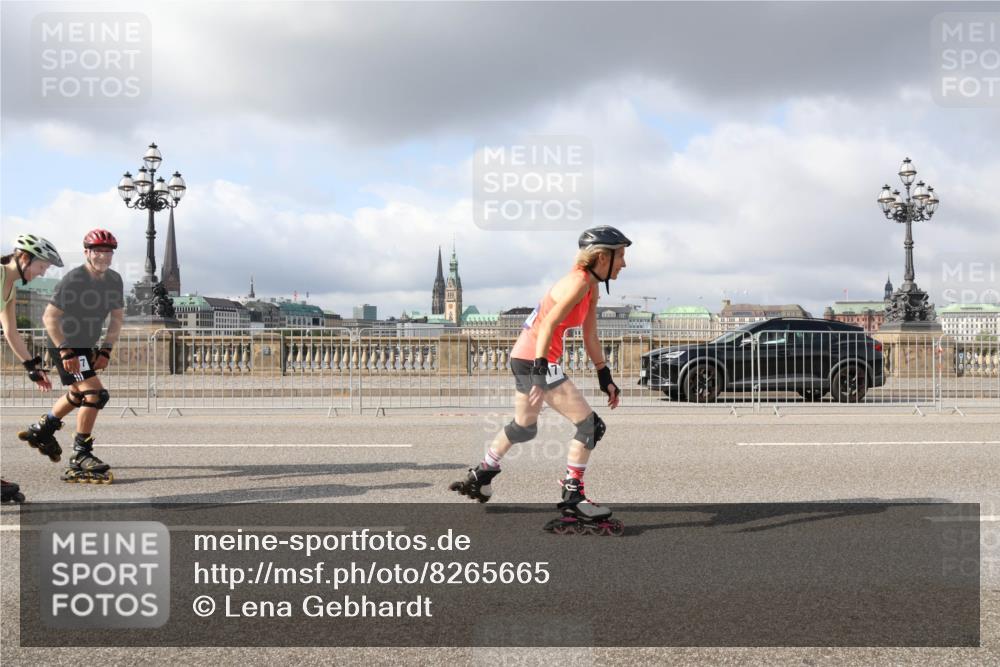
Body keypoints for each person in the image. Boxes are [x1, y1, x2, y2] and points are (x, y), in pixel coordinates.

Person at [450, 226, 631, 536]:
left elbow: (589, 334)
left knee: (524, 427)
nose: (624, 264)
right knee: (590, 426)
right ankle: (573, 496)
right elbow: (547, 326)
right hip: (537, 359)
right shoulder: (578, 283)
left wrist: (605, 375)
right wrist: (539, 373)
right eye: (621, 256)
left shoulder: (590, 286)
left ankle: (482, 473)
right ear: (603, 257)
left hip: (524, 356)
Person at [19, 229, 124, 484]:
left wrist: (106, 350)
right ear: (87, 252)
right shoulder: (74, 279)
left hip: (86, 345)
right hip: (64, 345)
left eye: (108, 251)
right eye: (98, 251)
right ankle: (80, 454)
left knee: (78, 394)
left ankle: (43, 429)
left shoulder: (114, 280)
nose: (103, 256)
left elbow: (116, 319)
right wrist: (65, 350)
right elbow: (49, 318)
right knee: (95, 394)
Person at [1, 234, 65, 503]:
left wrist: (31, 367)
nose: (43, 272)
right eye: (42, 266)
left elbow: (11, 332)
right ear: (24, 258)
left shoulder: (10, 286)